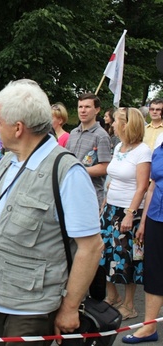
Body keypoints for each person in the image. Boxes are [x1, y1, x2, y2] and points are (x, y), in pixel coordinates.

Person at [0, 80, 104, 346]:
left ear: (18, 127)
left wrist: (69, 308)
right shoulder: (8, 162)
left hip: (34, 306)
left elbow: (91, 247)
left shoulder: (67, 172)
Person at [99, 108, 150, 321]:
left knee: (127, 258)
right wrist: (104, 203)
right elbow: (113, 179)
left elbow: (142, 187)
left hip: (129, 211)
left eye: (116, 121)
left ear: (127, 124)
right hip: (110, 208)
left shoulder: (143, 151)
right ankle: (112, 296)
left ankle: (129, 305)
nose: (112, 125)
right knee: (103, 253)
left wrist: (130, 214)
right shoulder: (120, 146)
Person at [121, 140, 163, 344]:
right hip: (156, 217)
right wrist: (144, 222)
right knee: (154, 272)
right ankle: (149, 327)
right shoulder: (159, 150)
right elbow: (152, 187)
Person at [66, 93, 112, 207]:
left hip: (90, 195)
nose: (83, 110)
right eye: (80, 107)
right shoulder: (73, 133)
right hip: (70, 191)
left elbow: (105, 167)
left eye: (87, 107)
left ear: (97, 110)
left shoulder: (101, 136)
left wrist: (78, 170)